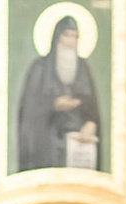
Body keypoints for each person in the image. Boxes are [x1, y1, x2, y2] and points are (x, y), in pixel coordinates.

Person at [13, 12, 100, 171]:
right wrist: (54, 105)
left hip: (78, 146)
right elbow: (29, 111)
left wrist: (91, 123)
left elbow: (92, 109)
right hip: (48, 145)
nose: (71, 42)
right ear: (57, 37)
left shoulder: (83, 69)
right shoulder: (39, 68)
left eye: (75, 37)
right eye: (67, 35)